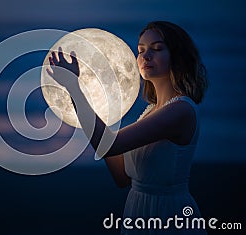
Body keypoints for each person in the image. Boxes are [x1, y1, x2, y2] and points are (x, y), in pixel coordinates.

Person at [47, 21, 208, 234]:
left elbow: (110, 144)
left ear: (177, 57)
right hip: (138, 210)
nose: (146, 56)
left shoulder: (180, 111)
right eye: (141, 50)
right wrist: (99, 109)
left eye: (157, 49)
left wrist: (74, 89)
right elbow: (122, 177)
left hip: (167, 214)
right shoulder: (150, 111)